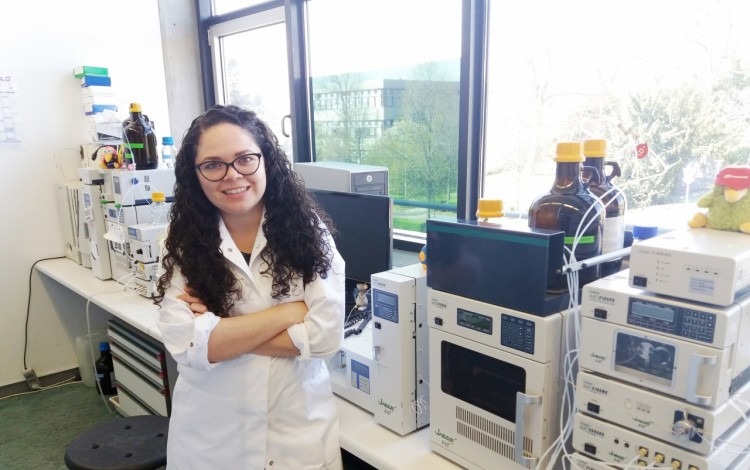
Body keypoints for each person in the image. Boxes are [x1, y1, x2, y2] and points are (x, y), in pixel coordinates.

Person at [153, 105, 346, 469]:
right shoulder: (179, 241)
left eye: (245, 159)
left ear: (266, 161)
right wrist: (289, 312)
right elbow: (186, 343)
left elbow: (325, 338)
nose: (232, 175)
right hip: (214, 438)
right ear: (195, 175)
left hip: (296, 432)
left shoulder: (310, 235)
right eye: (213, 165)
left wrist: (223, 333)